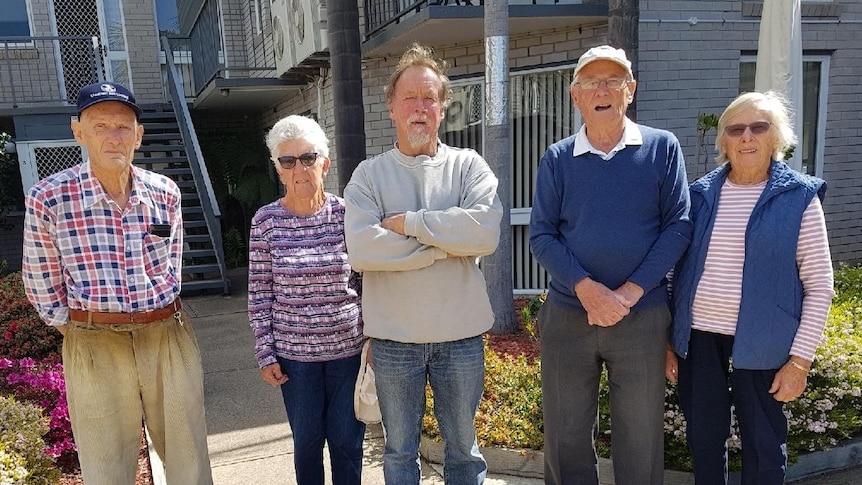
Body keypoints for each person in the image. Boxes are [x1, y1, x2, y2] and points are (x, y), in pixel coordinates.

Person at [21, 81, 213, 484]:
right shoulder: (50, 198)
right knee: (106, 466)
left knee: (189, 458)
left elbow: (172, 266)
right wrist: (82, 326)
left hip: (166, 336)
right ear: (79, 132)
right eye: (100, 125)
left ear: (139, 136)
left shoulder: (165, 192)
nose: (114, 137)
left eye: (124, 127)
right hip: (94, 342)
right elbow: (40, 282)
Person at [529, 45, 693, 485]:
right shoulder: (558, 158)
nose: (602, 90)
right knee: (564, 436)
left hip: (641, 316)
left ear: (630, 90)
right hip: (568, 313)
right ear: (575, 95)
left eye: (613, 80)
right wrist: (587, 289)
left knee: (640, 438)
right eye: (591, 82)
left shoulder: (662, 148)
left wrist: (629, 293)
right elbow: (541, 235)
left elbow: (678, 226)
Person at [343, 43, 503, 484]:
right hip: (394, 341)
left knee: (465, 454)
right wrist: (443, 245)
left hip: (461, 338)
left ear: (443, 107)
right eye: (410, 97)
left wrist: (410, 224)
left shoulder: (469, 167)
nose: (419, 107)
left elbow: (484, 234)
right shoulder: (369, 175)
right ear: (392, 106)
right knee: (398, 453)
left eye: (429, 97)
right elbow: (362, 250)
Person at [667, 91, 834, 485]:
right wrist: (668, 339)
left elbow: (820, 283)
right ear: (723, 141)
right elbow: (673, 272)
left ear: (776, 138)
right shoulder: (700, 194)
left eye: (758, 127)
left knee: (764, 446)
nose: (746, 137)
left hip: (766, 342)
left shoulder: (799, 197)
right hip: (698, 338)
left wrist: (800, 362)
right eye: (735, 129)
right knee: (704, 440)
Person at [248, 115, 366, 484]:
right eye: (288, 161)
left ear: (324, 164)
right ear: (279, 170)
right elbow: (259, 293)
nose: (299, 168)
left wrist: (375, 338)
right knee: (307, 446)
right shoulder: (265, 222)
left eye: (308, 158)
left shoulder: (348, 215)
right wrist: (266, 353)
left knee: (347, 444)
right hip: (295, 362)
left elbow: (368, 283)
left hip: (348, 353)